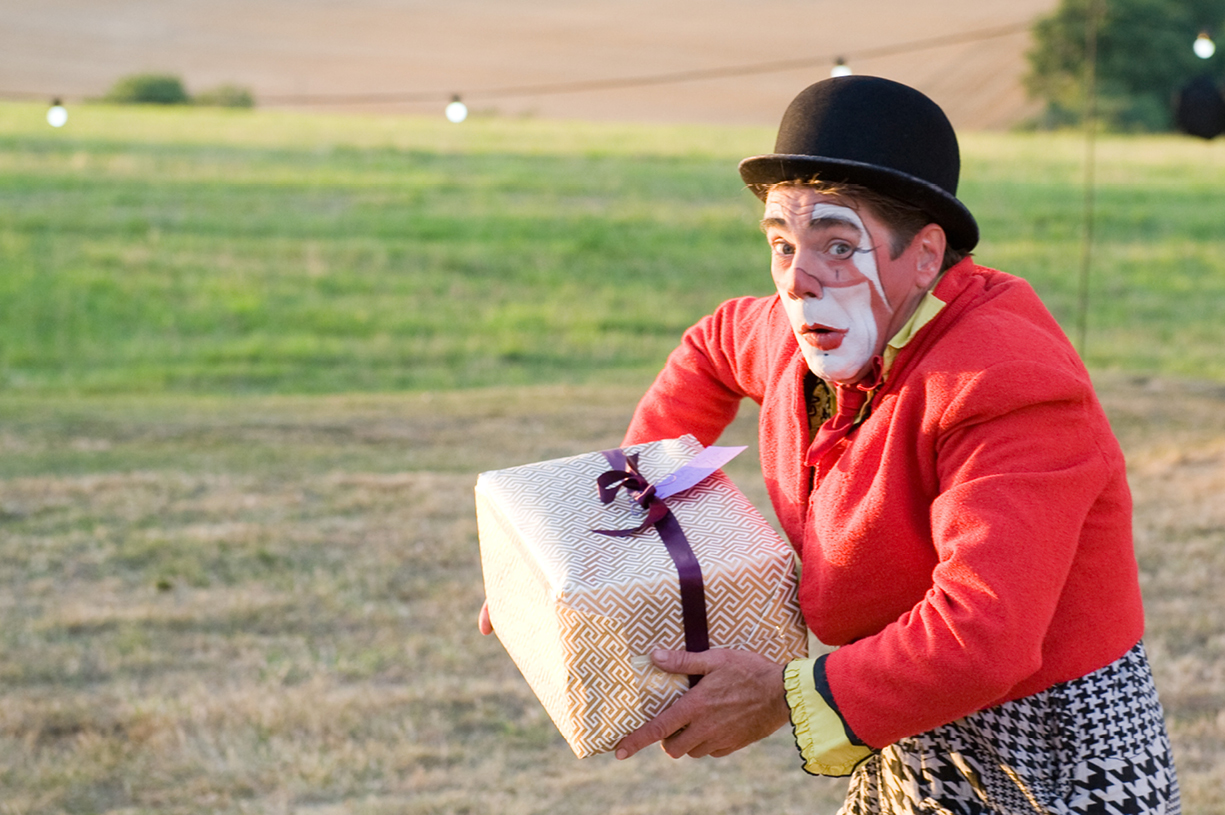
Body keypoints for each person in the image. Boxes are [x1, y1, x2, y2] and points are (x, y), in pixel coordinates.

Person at [479, 76, 1180, 813]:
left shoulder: (1007, 383)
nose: (798, 278)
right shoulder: (799, 333)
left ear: (924, 254)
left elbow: (985, 634)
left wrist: (784, 695)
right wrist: (624, 543)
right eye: (781, 243)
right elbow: (710, 350)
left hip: (1049, 753)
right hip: (900, 718)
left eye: (837, 245)